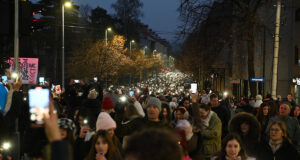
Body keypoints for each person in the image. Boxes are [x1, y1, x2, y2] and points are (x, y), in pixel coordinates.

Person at [191, 92, 222, 159]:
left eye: (202, 113)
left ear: (208, 111)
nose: (200, 115)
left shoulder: (215, 120)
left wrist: (201, 131)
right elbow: (195, 115)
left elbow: (215, 133)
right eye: (199, 113)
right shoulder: (200, 119)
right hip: (201, 150)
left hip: (212, 151)